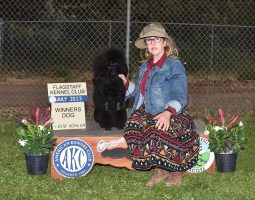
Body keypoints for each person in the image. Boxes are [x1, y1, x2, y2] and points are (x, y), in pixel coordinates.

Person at [118, 23, 199, 187]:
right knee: (132, 126)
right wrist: (126, 83)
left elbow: (180, 94)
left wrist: (168, 112)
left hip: (172, 111)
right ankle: (161, 168)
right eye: (149, 40)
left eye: (156, 39)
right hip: (147, 111)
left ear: (165, 42)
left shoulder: (173, 65)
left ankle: (176, 169)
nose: (152, 43)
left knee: (158, 127)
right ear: (146, 45)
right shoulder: (144, 67)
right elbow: (140, 93)